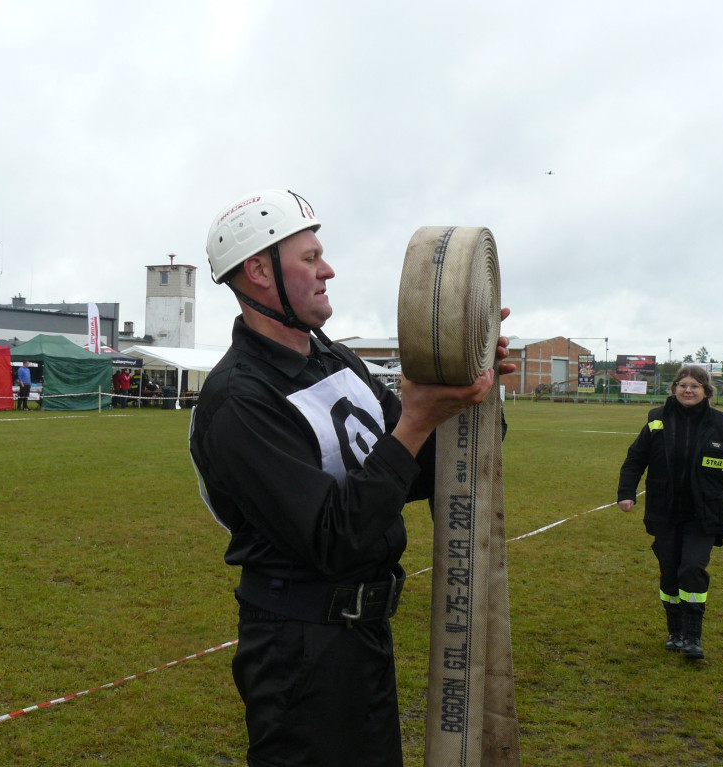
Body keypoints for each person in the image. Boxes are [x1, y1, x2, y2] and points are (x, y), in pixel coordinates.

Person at [189, 189, 515, 767]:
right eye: (310, 258)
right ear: (259, 272)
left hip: (362, 637)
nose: (328, 269)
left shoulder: (335, 359)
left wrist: (468, 387)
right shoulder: (239, 399)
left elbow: (412, 473)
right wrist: (414, 419)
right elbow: (334, 537)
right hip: (299, 647)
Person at [617, 364, 723, 661]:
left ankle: (693, 635)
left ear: (706, 392)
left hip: (703, 514)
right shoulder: (657, 421)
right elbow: (635, 459)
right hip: (664, 512)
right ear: (674, 389)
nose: (688, 390)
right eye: (683, 385)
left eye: (695, 386)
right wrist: (626, 493)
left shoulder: (722, 425)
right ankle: (675, 631)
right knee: (669, 571)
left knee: (692, 568)